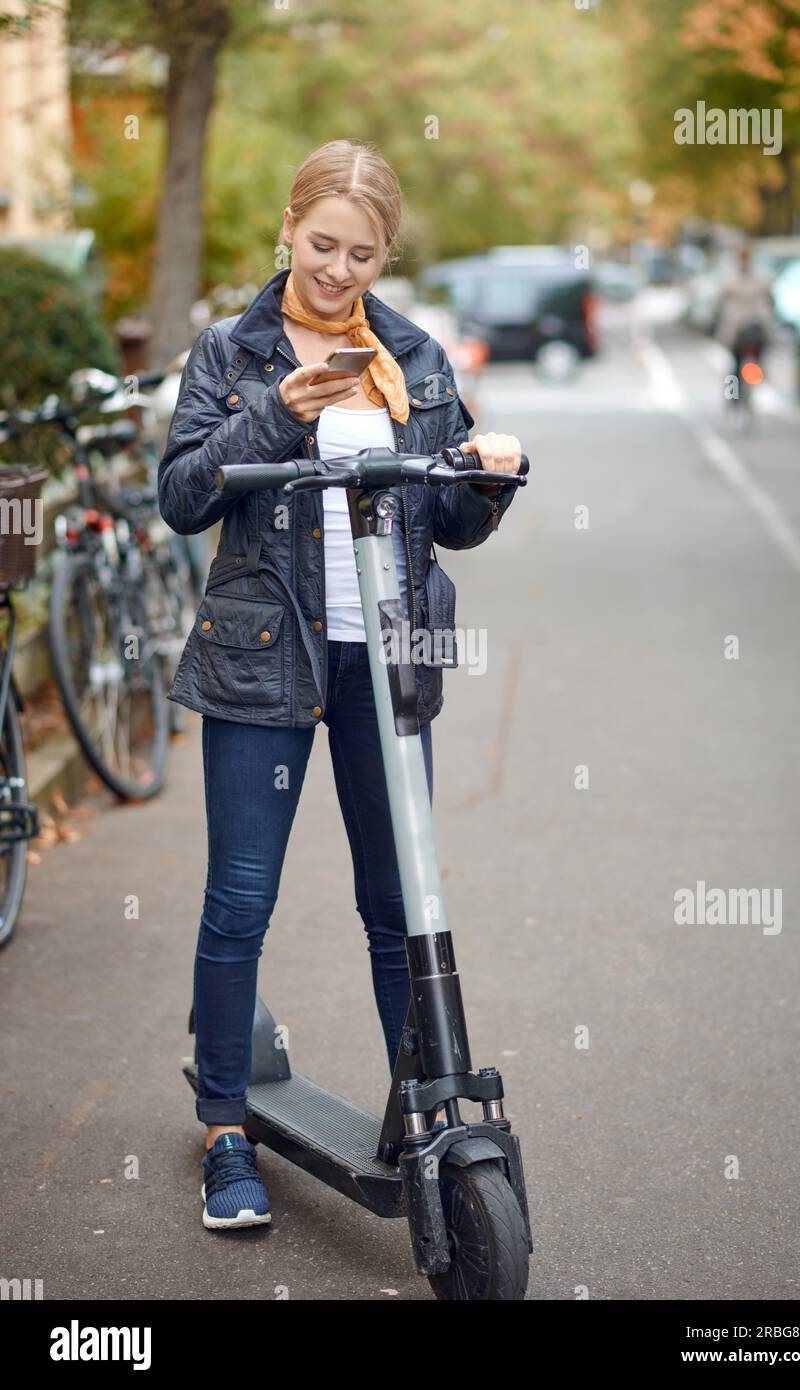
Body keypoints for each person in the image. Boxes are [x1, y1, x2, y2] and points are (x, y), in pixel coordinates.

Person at [157, 138, 523, 1230]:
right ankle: (226, 1127)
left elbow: (448, 520)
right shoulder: (234, 348)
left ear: (384, 253)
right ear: (289, 225)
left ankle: (421, 1116)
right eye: (323, 245)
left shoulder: (409, 352)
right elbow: (182, 494)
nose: (337, 270)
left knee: (396, 906)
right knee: (241, 901)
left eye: (361, 254)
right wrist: (285, 407)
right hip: (264, 654)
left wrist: (488, 475)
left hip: (389, 657)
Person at [714, 243, 777, 403]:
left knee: (735, 364)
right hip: (755, 326)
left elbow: (720, 301)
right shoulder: (761, 277)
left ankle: (732, 396)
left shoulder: (730, 279)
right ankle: (752, 384)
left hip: (739, 328)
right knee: (752, 359)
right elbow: (771, 300)